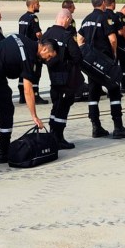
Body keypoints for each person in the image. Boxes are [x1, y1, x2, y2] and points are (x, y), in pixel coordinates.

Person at [0, 34, 57, 163]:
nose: (48, 60)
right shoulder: (29, 58)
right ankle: (3, 153)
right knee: (6, 109)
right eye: (50, 56)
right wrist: (34, 116)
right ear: (44, 49)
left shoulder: (21, 37)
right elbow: (28, 90)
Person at [78, 0, 125, 139]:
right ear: (103, 2)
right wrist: (114, 55)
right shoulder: (105, 17)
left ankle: (96, 127)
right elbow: (113, 39)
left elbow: (80, 39)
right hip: (105, 61)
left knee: (93, 94)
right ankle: (118, 127)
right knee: (114, 92)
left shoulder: (86, 19)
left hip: (91, 63)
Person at [42, 9, 83, 149]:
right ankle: (58, 137)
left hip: (53, 77)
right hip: (66, 79)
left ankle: (53, 134)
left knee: (55, 106)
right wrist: (67, 64)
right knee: (63, 108)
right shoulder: (66, 36)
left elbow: (41, 56)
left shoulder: (46, 34)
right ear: (66, 19)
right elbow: (77, 56)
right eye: (70, 20)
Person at [16, 0, 47, 105]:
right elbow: (38, 34)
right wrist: (44, 42)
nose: (39, 6)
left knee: (23, 71)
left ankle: (22, 96)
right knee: (35, 71)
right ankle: (35, 95)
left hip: (22, 48)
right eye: (38, 4)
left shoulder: (22, 18)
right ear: (33, 5)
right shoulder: (33, 18)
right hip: (32, 48)